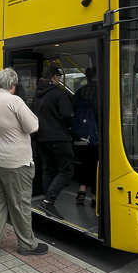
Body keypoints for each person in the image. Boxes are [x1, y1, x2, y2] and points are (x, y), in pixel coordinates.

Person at [0, 67, 47, 259]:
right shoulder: (14, 101)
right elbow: (33, 126)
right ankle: (27, 244)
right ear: (12, 85)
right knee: (20, 204)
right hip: (15, 162)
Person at [32, 66, 74, 220]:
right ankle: (48, 200)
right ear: (55, 77)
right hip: (58, 137)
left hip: (40, 137)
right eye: (59, 77)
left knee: (48, 169)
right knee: (66, 170)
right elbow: (66, 115)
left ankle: (46, 199)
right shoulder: (59, 94)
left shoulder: (37, 94)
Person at [72, 67, 98, 207]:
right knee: (95, 165)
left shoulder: (79, 92)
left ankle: (81, 192)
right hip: (95, 135)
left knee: (84, 163)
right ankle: (95, 197)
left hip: (81, 135)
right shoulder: (102, 91)